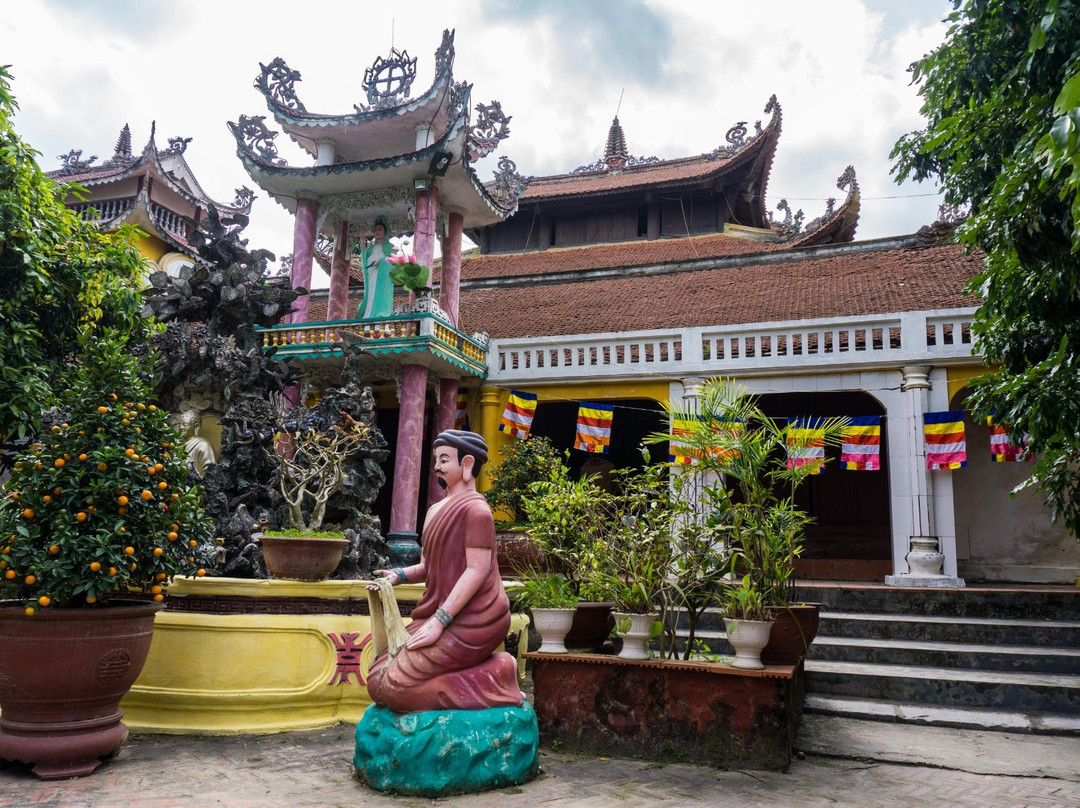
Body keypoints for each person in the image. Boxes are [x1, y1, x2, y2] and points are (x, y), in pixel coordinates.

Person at [366, 430, 522, 713]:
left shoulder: (477, 511)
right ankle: (481, 673)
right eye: (436, 459)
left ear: (467, 464)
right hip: (439, 613)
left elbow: (476, 570)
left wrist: (440, 621)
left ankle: (498, 673)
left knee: (396, 688)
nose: (437, 466)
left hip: (476, 617)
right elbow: (429, 566)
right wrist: (397, 577)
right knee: (377, 682)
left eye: (445, 459)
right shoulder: (435, 510)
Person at [356, 215, 395, 319]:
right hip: (372, 277)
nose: (377, 231)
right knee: (370, 296)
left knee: (381, 298)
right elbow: (365, 263)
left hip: (383, 282)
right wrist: (363, 248)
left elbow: (395, 263)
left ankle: (380, 314)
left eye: (380, 229)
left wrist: (382, 262)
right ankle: (368, 315)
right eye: (376, 229)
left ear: (385, 231)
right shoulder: (371, 248)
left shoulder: (391, 247)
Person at [178, 408, 216, 475]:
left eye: (185, 424)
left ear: (196, 426)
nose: (181, 427)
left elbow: (210, 472)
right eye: (179, 425)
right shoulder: (176, 444)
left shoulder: (203, 444)